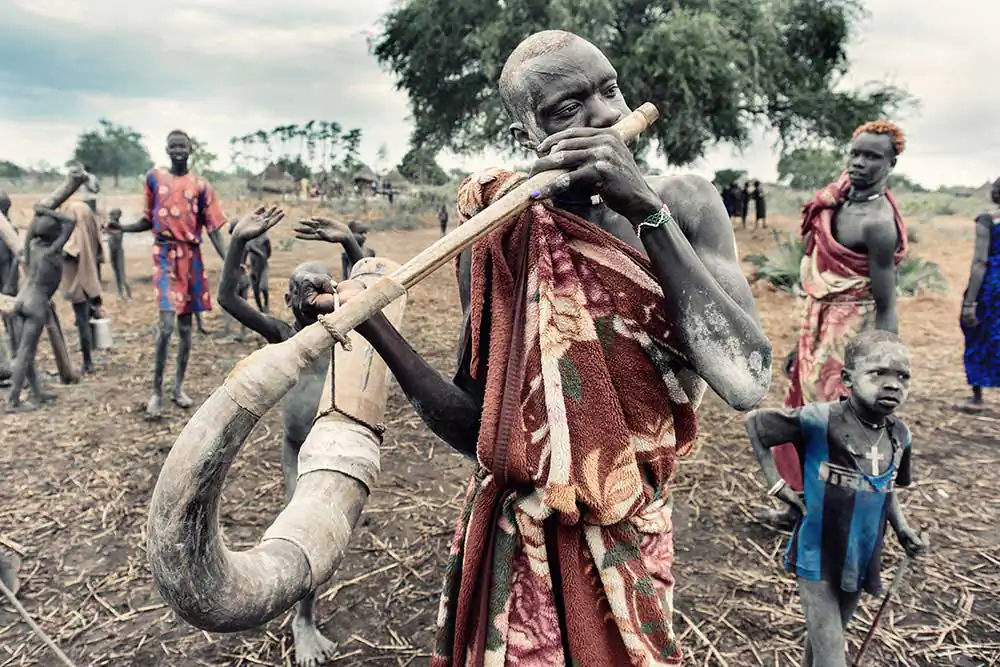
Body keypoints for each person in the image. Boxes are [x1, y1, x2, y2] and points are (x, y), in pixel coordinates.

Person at [335, 29, 770, 667]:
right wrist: (374, 328)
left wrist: (646, 211)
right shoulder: (500, 233)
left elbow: (746, 380)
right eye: (567, 109)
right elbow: (480, 429)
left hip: (634, 530)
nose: (603, 116)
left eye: (609, 90)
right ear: (527, 138)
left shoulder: (685, 204)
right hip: (520, 542)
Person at [218, 206, 366, 667]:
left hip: (335, 447)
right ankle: (304, 620)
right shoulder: (282, 335)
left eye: (319, 283)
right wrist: (239, 243)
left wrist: (349, 244)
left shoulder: (346, 330)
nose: (311, 291)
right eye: (301, 287)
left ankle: (307, 612)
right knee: (298, 530)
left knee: (329, 530)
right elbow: (227, 298)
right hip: (297, 450)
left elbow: (371, 288)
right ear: (287, 300)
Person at [758, 121, 909, 530]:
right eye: (856, 153)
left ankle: (838, 520)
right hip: (816, 326)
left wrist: (881, 366)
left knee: (841, 427)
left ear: (891, 163)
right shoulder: (834, 204)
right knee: (802, 416)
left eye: (873, 156)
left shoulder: (878, 223)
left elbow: (886, 301)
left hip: (851, 336)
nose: (860, 163)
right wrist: (800, 347)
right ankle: (798, 508)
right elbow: (821, 289)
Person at [745, 330, 925, 667]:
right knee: (832, 657)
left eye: (902, 376)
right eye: (878, 373)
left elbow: (885, 488)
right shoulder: (819, 418)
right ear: (847, 379)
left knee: (826, 641)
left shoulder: (900, 434)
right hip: (817, 551)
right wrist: (776, 485)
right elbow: (755, 425)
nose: (892, 384)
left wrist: (903, 531)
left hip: (861, 553)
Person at [107, 130, 227, 418]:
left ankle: (178, 387)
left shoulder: (201, 186)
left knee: (186, 329)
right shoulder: (154, 179)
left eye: (182, 145)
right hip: (164, 256)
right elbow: (148, 220)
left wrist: (231, 260)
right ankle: (156, 393)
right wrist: (121, 228)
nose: (177, 150)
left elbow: (213, 230)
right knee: (165, 325)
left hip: (191, 258)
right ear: (166, 149)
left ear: (190, 149)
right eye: (173, 146)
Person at [957, 177, 1000, 411]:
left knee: (976, 331)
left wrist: (970, 302)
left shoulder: (988, 220)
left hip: (993, 286)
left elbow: (980, 261)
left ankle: (977, 397)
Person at [61, 199, 104, 374]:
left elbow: (71, 249)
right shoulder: (88, 219)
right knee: (85, 315)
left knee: (81, 319)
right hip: (89, 273)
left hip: (78, 277)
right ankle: (90, 356)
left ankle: (88, 362)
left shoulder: (76, 223)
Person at [105, 208, 132, 300]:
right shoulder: (111, 225)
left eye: (112, 215)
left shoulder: (118, 226)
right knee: (116, 274)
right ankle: (120, 293)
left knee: (122, 275)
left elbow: (116, 234)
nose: (110, 217)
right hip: (112, 252)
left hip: (118, 252)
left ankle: (129, 295)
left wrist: (106, 229)